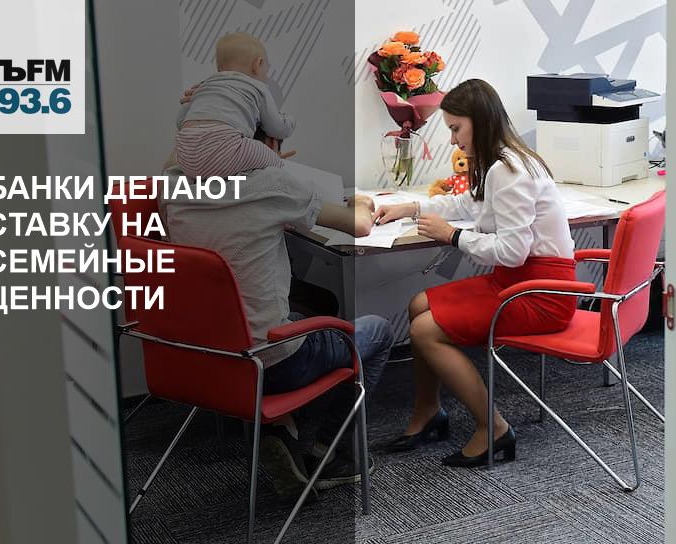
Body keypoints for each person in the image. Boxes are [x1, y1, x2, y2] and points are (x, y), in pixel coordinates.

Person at [161, 128, 393, 498]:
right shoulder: (272, 186)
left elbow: (180, 156)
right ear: (268, 145)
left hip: (207, 357)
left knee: (307, 309)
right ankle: (334, 454)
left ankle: (281, 429)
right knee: (378, 331)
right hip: (272, 361)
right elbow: (360, 225)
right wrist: (362, 201)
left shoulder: (173, 184)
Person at [372, 79, 577, 467]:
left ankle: (493, 428)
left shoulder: (510, 171)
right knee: (418, 304)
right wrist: (412, 209)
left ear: (479, 122)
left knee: (424, 330)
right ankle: (428, 411)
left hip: (540, 293)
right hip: (518, 281)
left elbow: (513, 253)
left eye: (455, 129)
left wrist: (452, 237)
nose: (452, 140)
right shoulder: (502, 162)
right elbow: (470, 204)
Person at [173, 32, 296, 179]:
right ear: (258, 64)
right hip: (224, 151)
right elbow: (276, 127)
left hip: (186, 157)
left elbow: (180, 120)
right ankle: (277, 166)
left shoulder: (203, 86)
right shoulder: (258, 88)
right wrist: (290, 122)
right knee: (261, 151)